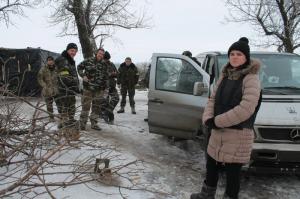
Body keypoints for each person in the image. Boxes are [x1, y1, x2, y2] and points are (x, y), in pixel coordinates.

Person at [190, 37, 262, 199]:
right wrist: (208, 118)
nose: (235, 57)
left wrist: (217, 121)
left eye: (239, 54)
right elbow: (212, 99)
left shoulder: (251, 78)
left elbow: (246, 109)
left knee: (232, 171)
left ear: (246, 58)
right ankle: (206, 195)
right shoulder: (225, 75)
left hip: (238, 133)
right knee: (212, 165)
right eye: (232, 54)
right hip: (217, 131)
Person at [77, 48, 109, 131]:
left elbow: (106, 77)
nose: (100, 55)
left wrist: (105, 88)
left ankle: (94, 123)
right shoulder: (88, 60)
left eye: (102, 54)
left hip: (99, 89)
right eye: (99, 53)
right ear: (96, 53)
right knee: (86, 106)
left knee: (96, 107)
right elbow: (79, 67)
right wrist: (83, 76)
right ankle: (82, 124)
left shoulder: (104, 64)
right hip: (88, 88)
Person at [55, 43, 80, 129]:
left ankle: (69, 127)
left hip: (69, 90)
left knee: (71, 109)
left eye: (75, 51)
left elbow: (72, 76)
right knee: (64, 111)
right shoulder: (63, 60)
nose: (74, 53)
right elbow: (65, 78)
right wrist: (75, 87)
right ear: (67, 50)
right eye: (72, 50)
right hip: (63, 91)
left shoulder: (70, 60)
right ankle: (63, 132)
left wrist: (76, 87)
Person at [37, 56, 59, 122]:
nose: (50, 61)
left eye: (51, 60)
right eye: (49, 60)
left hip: (56, 89)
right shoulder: (43, 69)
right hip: (47, 90)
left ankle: (61, 116)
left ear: (53, 61)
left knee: (59, 103)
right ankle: (51, 117)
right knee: (49, 104)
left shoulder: (57, 68)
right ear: (47, 61)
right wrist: (44, 86)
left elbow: (61, 77)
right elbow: (39, 78)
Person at [101, 51, 119, 124]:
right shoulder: (100, 64)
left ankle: (106, 113)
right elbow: (101, 75)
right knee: (106, 103)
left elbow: (117, 73)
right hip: (103, 87)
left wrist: (115, 74)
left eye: (107, 59)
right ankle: (110, 118)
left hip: (112, 86)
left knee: (116, 98)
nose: (106, 60)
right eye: (105, 59)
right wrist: (110, 74)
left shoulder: (111, 64)